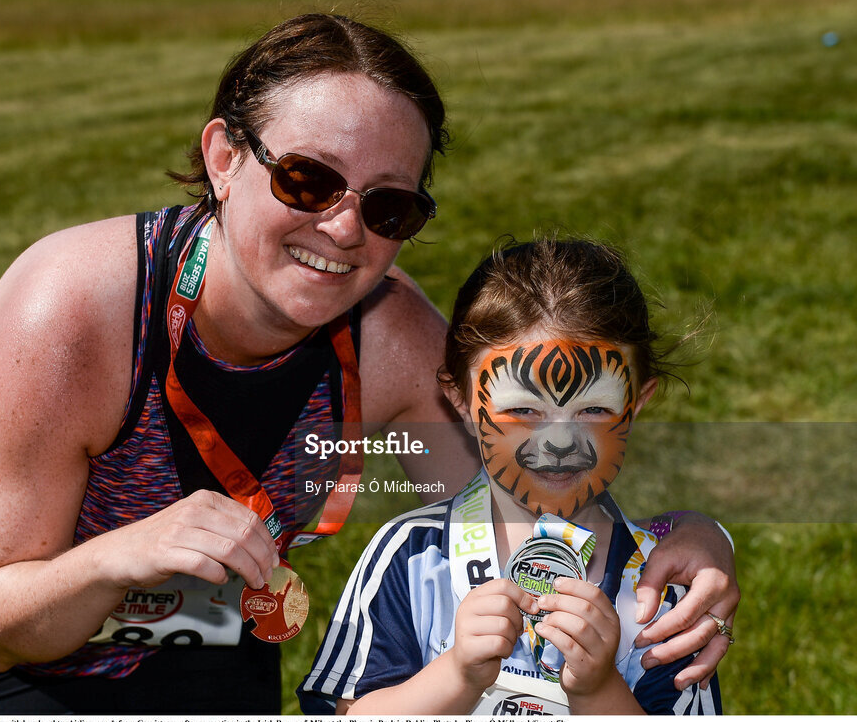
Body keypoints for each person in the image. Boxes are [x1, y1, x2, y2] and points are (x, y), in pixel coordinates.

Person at [0, 14, 736, 714]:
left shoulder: (393, 339)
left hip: (207, 618)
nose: (345, 229)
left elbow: (530, 488)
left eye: (390, 204)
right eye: (306, 179)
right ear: (222, 156)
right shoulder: (72, 310)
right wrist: (122, 554)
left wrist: (694, 538)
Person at [299, 239, 732, 715]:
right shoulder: (410, 558)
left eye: (593, 409)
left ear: (637, 402)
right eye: (523, 409)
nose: (560, 442)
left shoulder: (661, 593)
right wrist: (456, 675)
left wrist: (598, 690)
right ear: (462, 401)